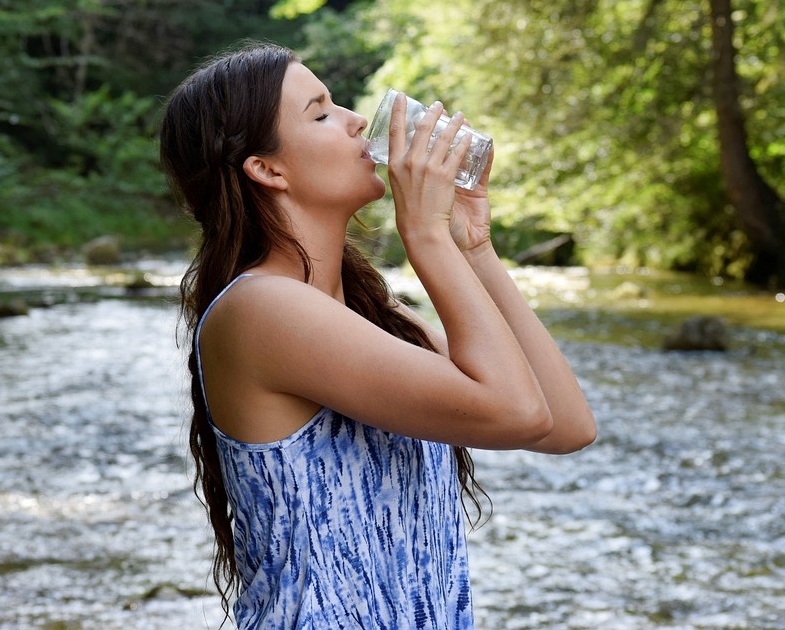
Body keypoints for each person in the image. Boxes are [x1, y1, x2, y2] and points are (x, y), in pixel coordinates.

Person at [158, 41, 596, 629]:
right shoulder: (262, 309)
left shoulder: (371, 316)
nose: (357, 121)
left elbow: (565, 424)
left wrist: (474, 247)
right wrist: (427, 237)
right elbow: (516, 412)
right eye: (321, 113)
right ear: (268, 169)